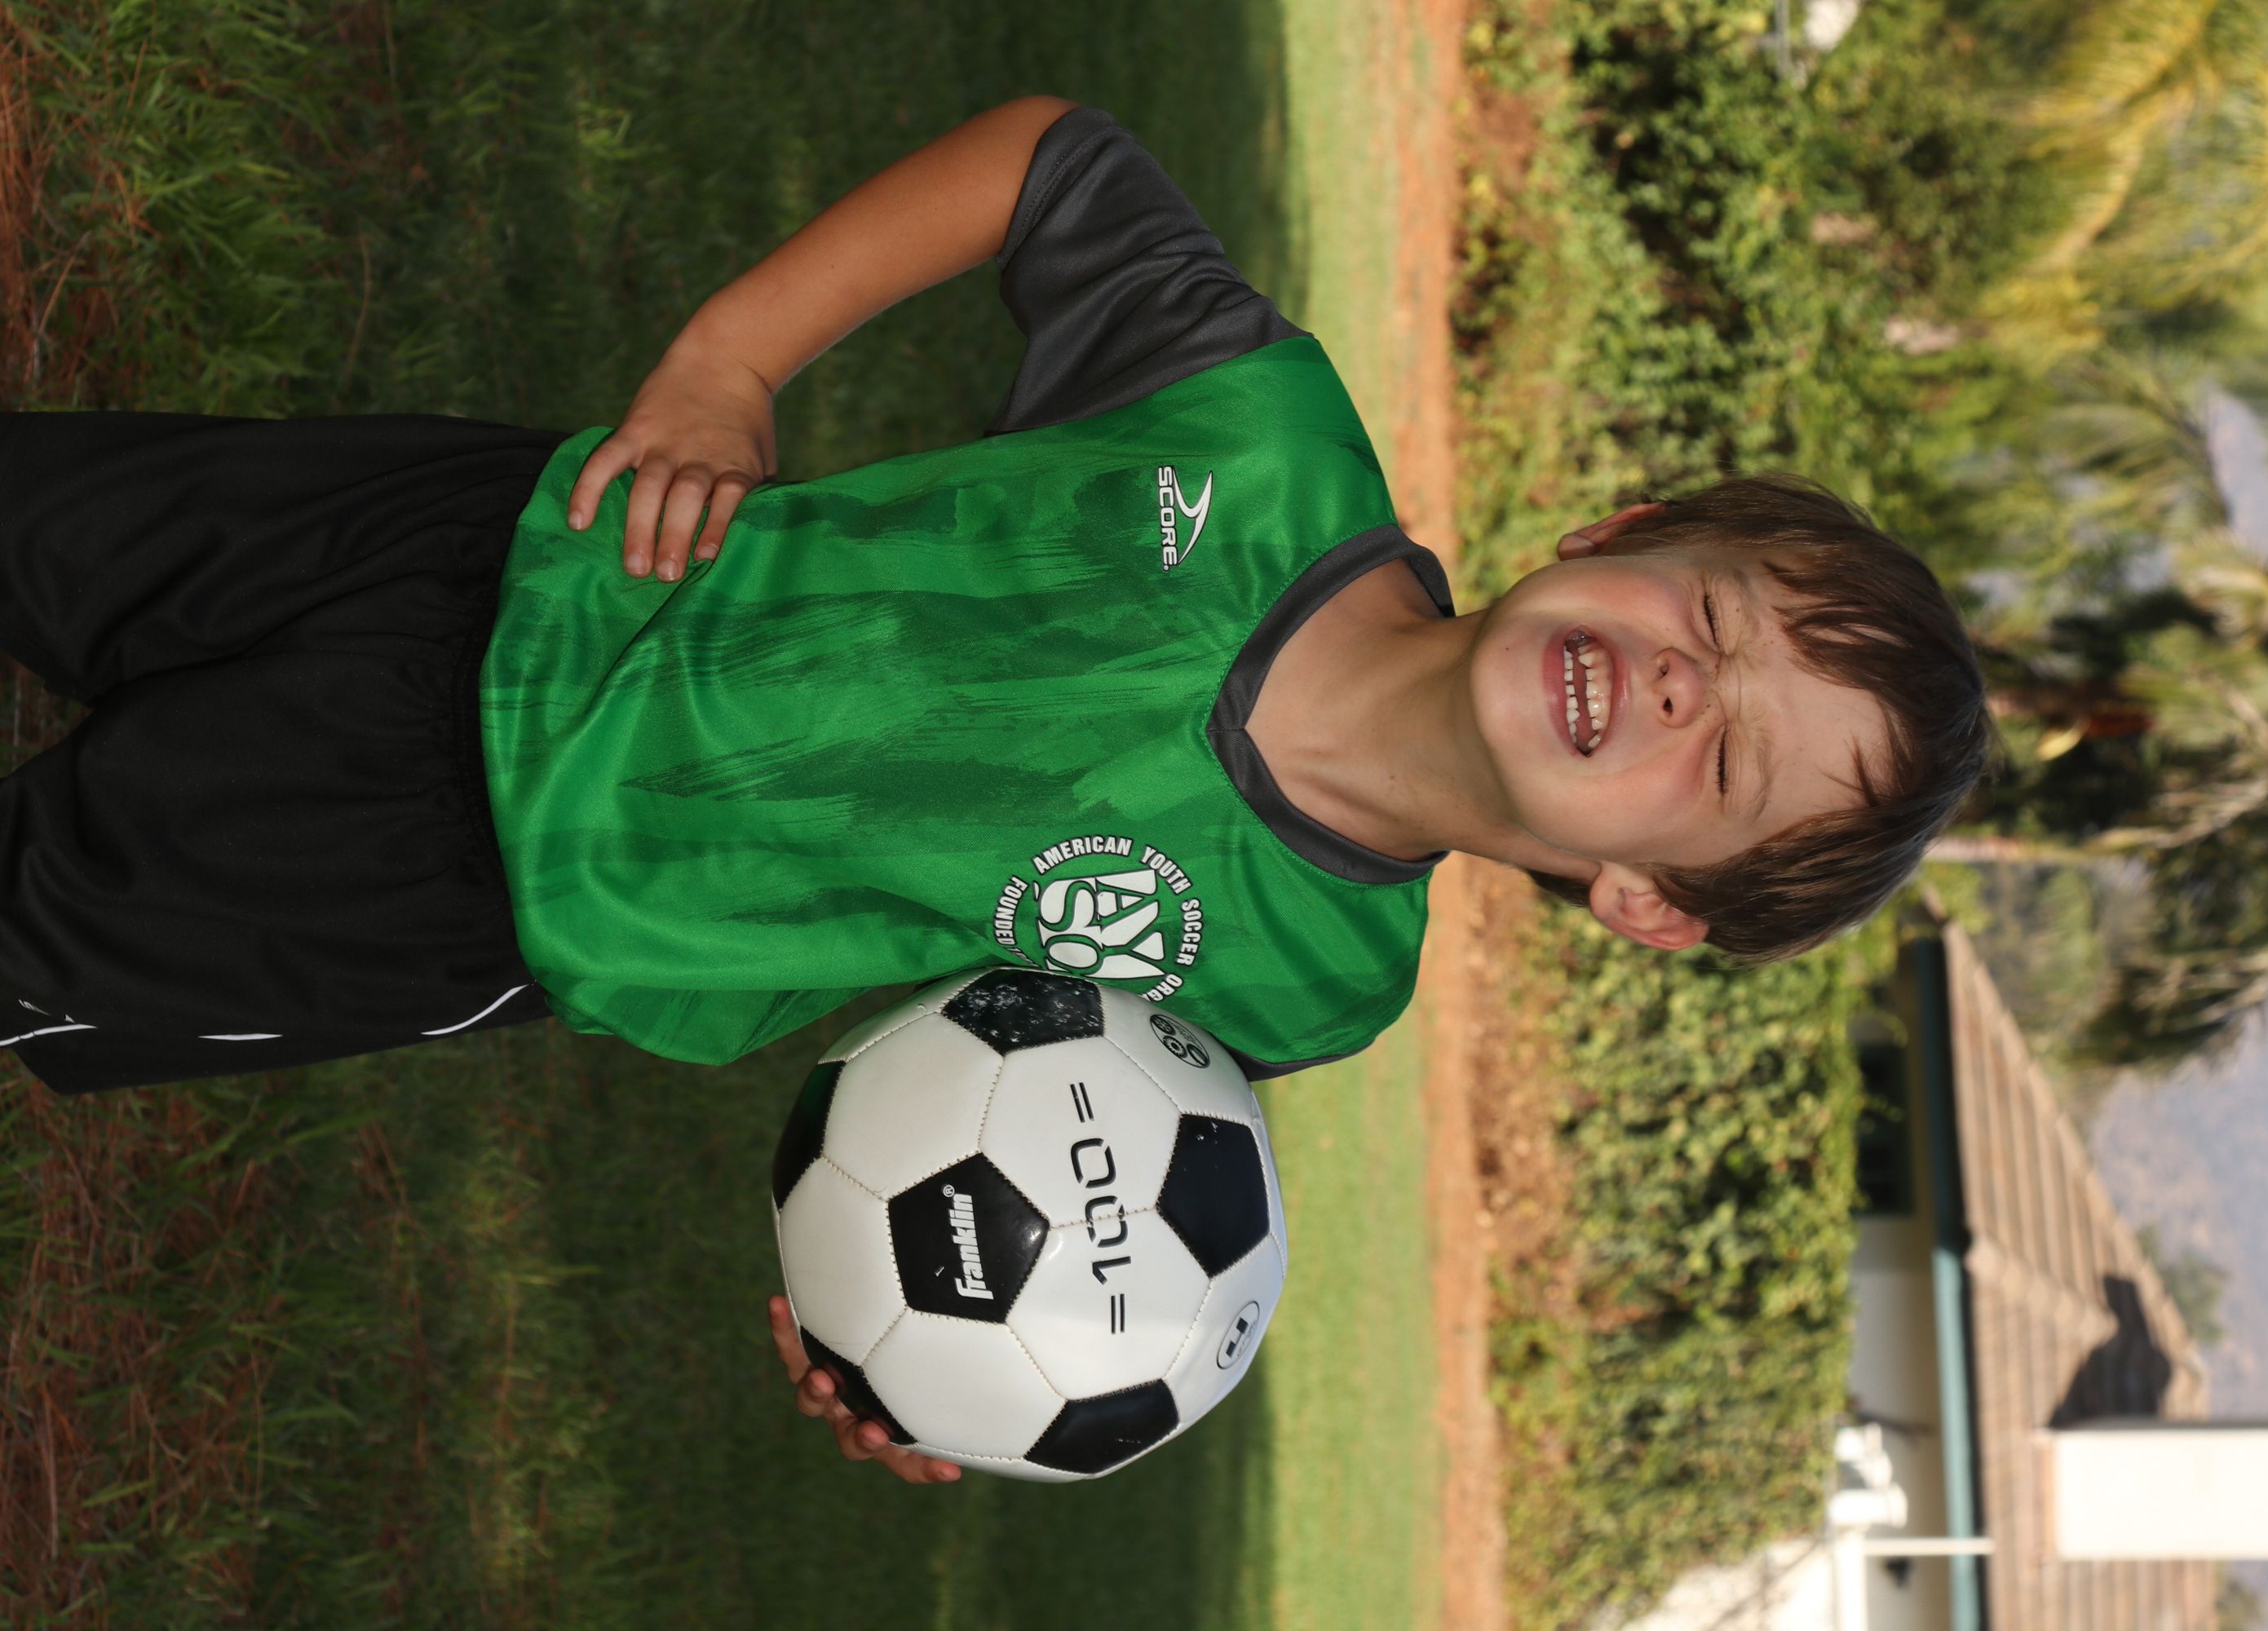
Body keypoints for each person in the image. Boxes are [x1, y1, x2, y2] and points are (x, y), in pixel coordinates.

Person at [0, 98, 1987, 1480]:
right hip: (506, 547)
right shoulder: (1262, 440)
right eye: (1707, 615)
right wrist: (728, 360)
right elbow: (1052, 162)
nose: (1675, 682)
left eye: (1722, 759)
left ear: (1650, 901)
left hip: (474, 891)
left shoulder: (1303, 982)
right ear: (1626, 531)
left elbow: (1038, 1139)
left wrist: (929, 1343)